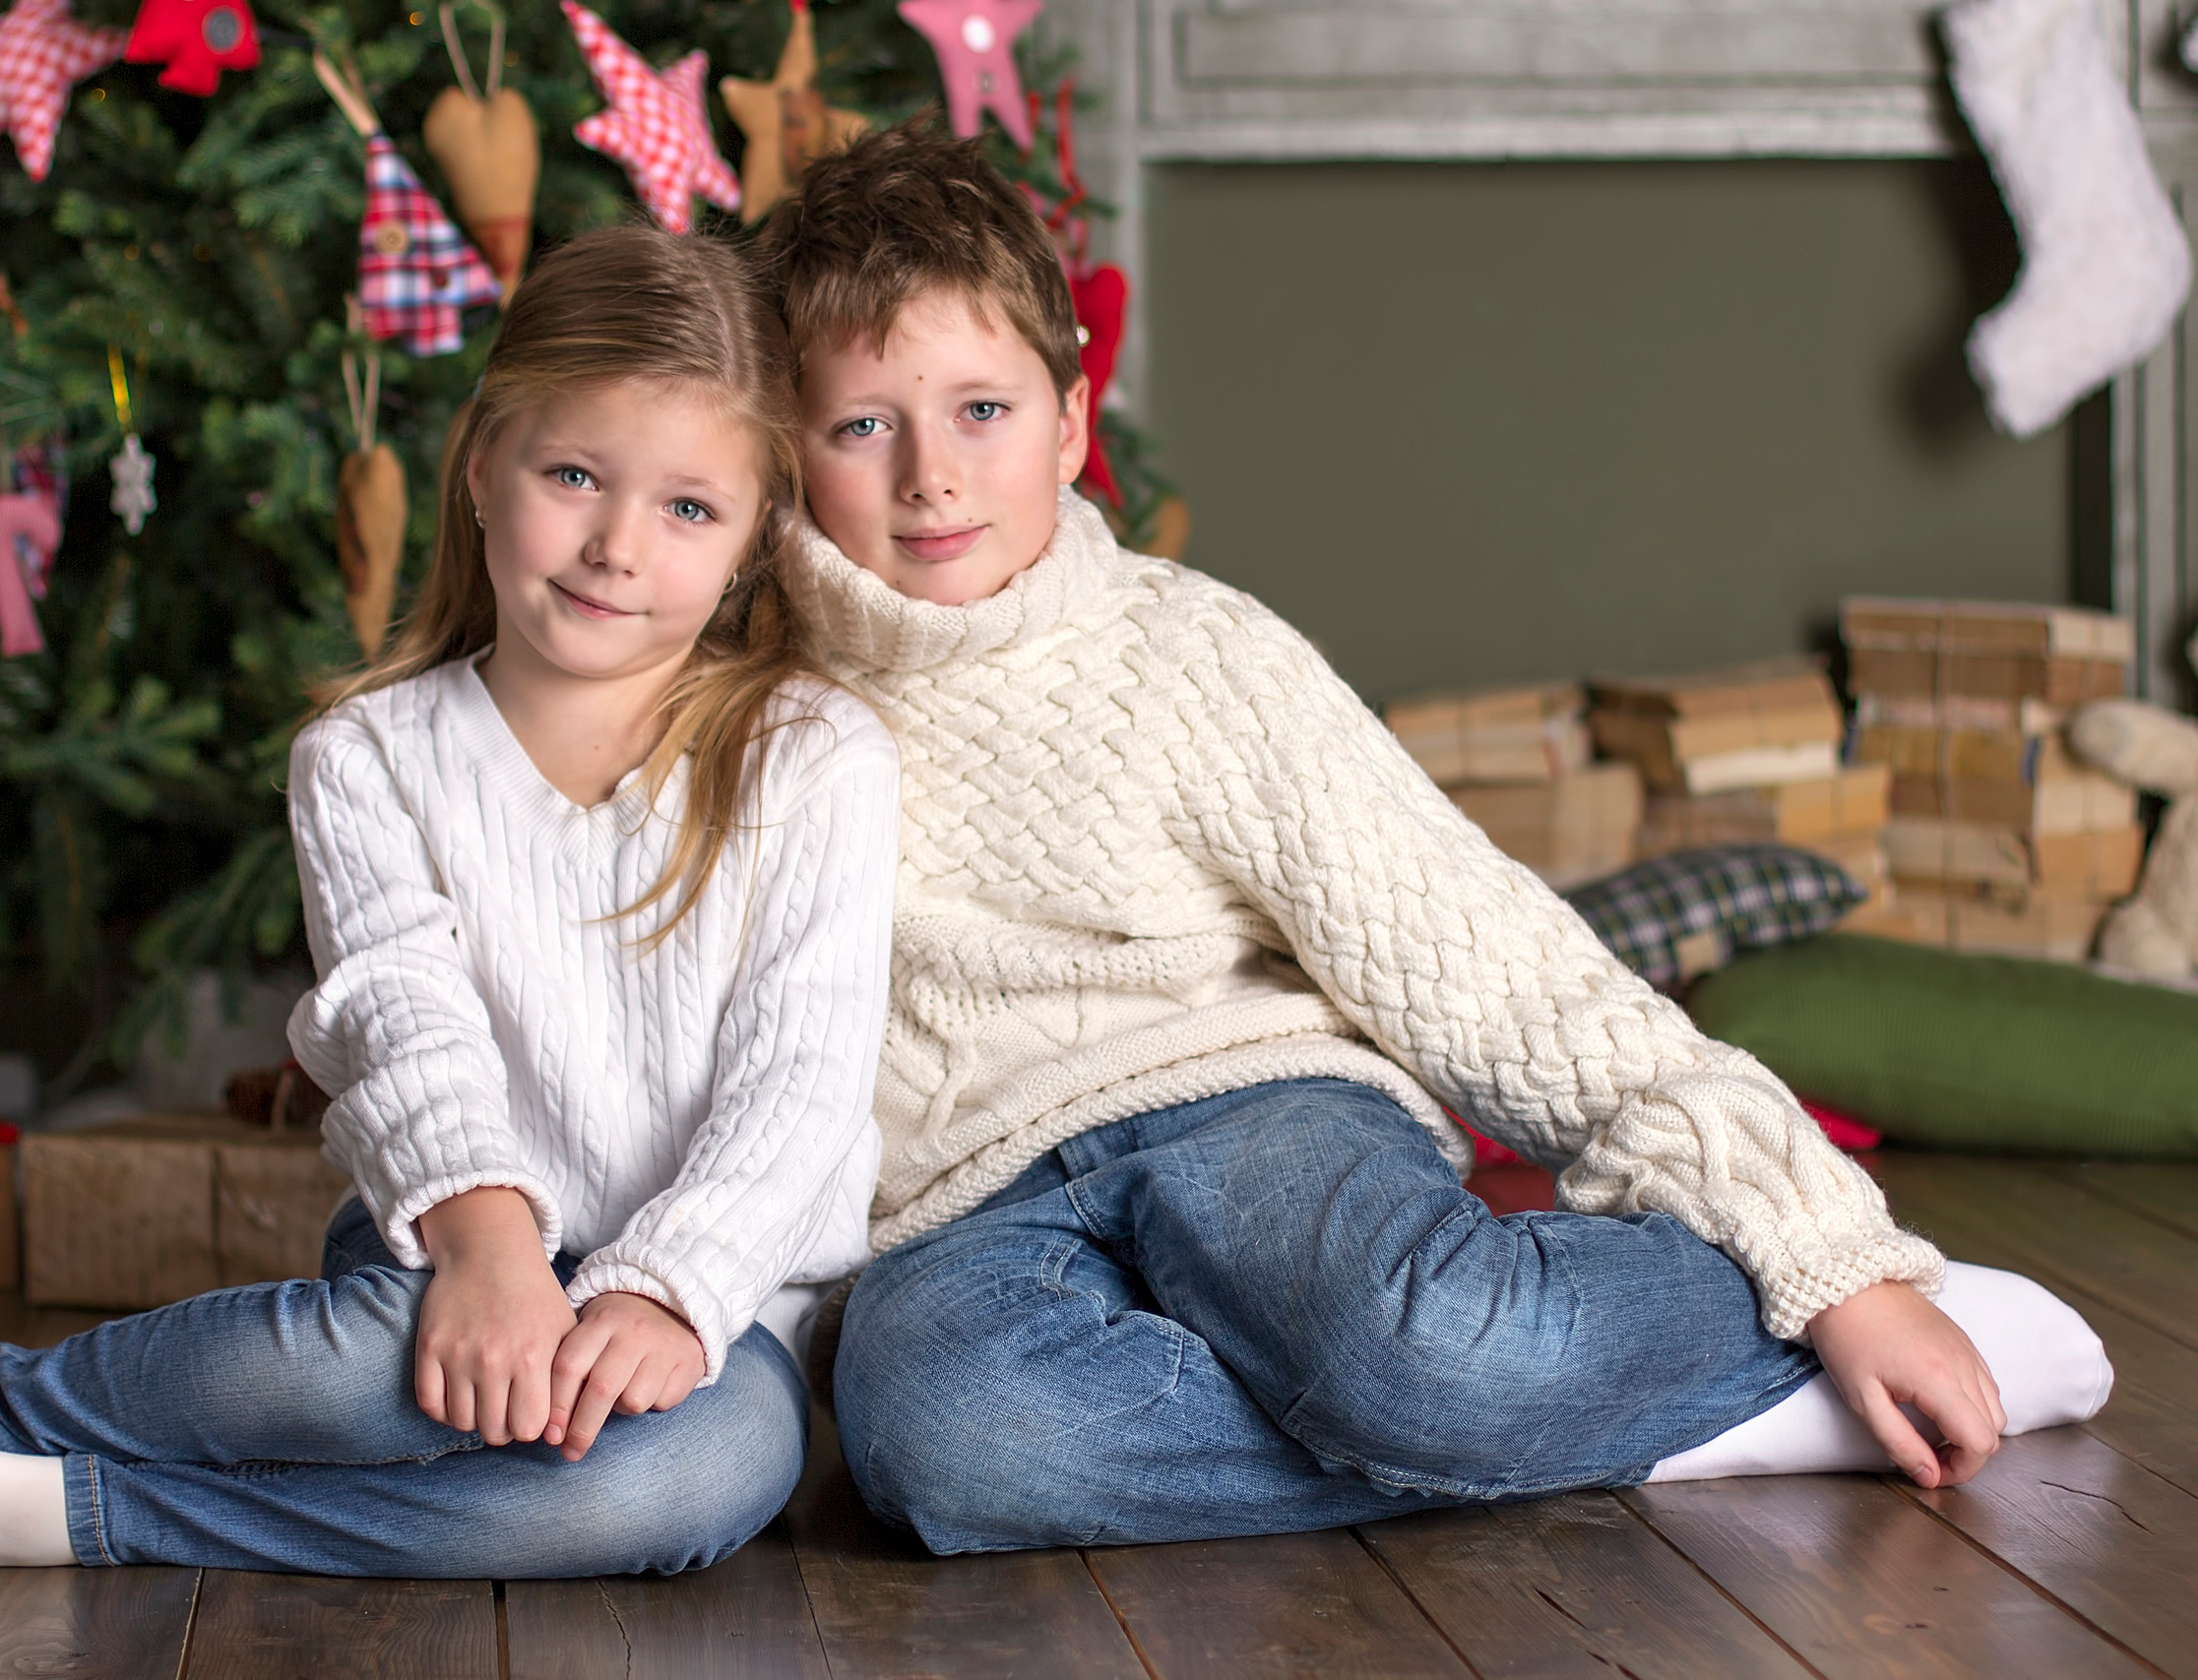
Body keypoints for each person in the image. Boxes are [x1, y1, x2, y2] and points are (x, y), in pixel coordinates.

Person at [752, 123, 2112, 1554]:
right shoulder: (743, 702)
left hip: (1246, 1106)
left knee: (1431, 1351)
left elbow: (1487, 957)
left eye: (983, 409)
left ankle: (1798, 1323)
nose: (933, 476)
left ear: (1074, 424)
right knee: (940, 1441)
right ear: (787, 453)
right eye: (864, 427)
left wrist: (1832, 1261)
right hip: (965, 1196)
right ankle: (1682, 1418)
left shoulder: (1188, 654)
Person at [0, 226, 899, 1583]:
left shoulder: (814, 756)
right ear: (480, 464)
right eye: (574, 476)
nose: (616, 547)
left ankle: (77, 1509)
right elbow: (405, 1024)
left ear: (756, 538)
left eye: (689, 510)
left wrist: (663, 1290)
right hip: (447, 1237)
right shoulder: (369, 757)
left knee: (688, 1482)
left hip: (716, 1295)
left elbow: (801, 1080)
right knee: (359, 1376)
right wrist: (488, 1255)